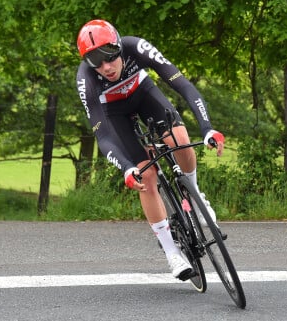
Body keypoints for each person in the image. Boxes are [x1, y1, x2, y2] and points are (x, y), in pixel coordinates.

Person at [75, 19, 225, 280]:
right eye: (96, 62)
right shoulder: (85, 80)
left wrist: (207, 128)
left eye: (109, 57)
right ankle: (172, 253)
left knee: (179, 137)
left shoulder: (136, 47)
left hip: (143, 93)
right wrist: (126, 169)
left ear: (119, 46)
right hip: (115, 114)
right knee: (146, 175)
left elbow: (183, 85)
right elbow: (103, 136)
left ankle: (195, 196)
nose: (106, 67)